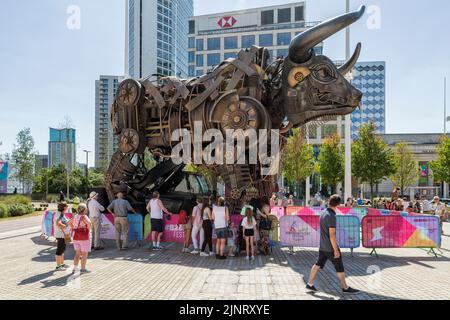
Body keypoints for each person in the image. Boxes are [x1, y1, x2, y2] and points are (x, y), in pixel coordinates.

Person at [306, 194, 359, 294]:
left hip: (323, 246)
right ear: (338, 205)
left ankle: (310, 283)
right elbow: (332, 235)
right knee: (339, 267)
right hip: (330, 248)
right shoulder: (331, 216)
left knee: (317, 264)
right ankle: (345, 287)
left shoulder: (323, 213)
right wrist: (336, 250)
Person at [69, 204, 92, 274]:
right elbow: (89, 223)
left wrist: (74, 227)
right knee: (84, 253)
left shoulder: (75, 216)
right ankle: (83, 269)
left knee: (77, 253)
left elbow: (69, 222)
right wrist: (88, 230)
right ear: (84, 210)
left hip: (76, 236)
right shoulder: (84, 216)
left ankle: (75, 268)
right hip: (84, 237)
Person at [54, 202, 70, 271]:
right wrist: (65, 226)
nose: (68, 207)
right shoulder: (59, 214)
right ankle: (58, 266)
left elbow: (63, 221)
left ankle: (62, 264)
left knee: (62, 249)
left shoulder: (61, 213)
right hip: (60, 235)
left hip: (63, 235)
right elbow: (58, 223)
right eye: (67, 206)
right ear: (64, 207)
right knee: (60, 250)